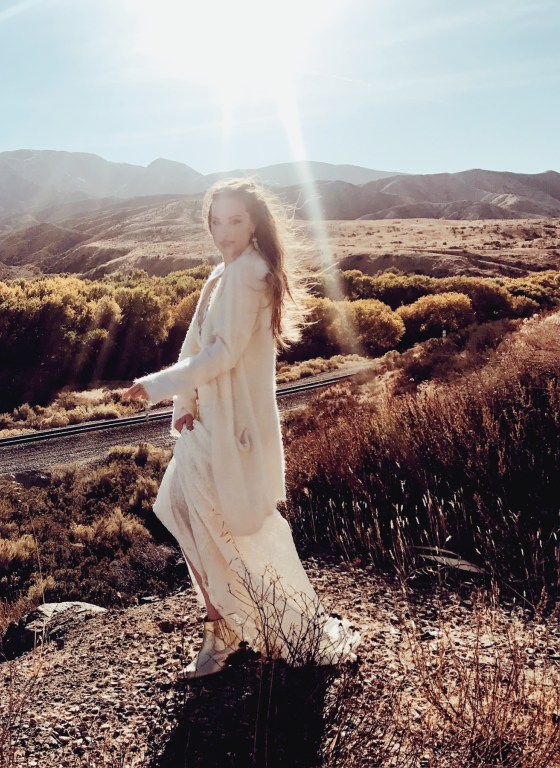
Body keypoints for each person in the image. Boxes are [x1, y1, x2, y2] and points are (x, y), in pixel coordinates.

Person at [122, 178, 360, 680]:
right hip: (208, 424)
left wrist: (158, 385)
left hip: (230, 432)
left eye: (235, 220)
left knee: (231, 531)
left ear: (254, 224)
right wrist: (185, 401)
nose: (223, 231)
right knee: (191, 517)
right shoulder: (224, 272)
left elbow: (223, 353)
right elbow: (196, 343)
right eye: (216, 221)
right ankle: (231, 628)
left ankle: (240, 633)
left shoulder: (249, 272)